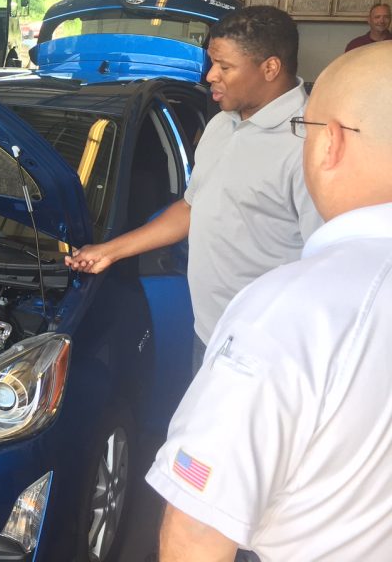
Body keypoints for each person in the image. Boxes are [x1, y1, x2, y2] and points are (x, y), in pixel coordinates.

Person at [150, 41, 392, 561]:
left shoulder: (285, 314)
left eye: (307, 130)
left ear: (330, 143)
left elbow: (197, 531)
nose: (210, 76)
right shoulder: (221, 128)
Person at [65, 6, 321, 366]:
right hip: (209, 330)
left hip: (267, 350)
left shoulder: (309, 145)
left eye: (224, 66)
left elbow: (327, 266)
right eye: (212, 62)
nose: (210, 75)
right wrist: (109, 251)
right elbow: (191, 207)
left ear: (270, 68)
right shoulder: (221, 125)